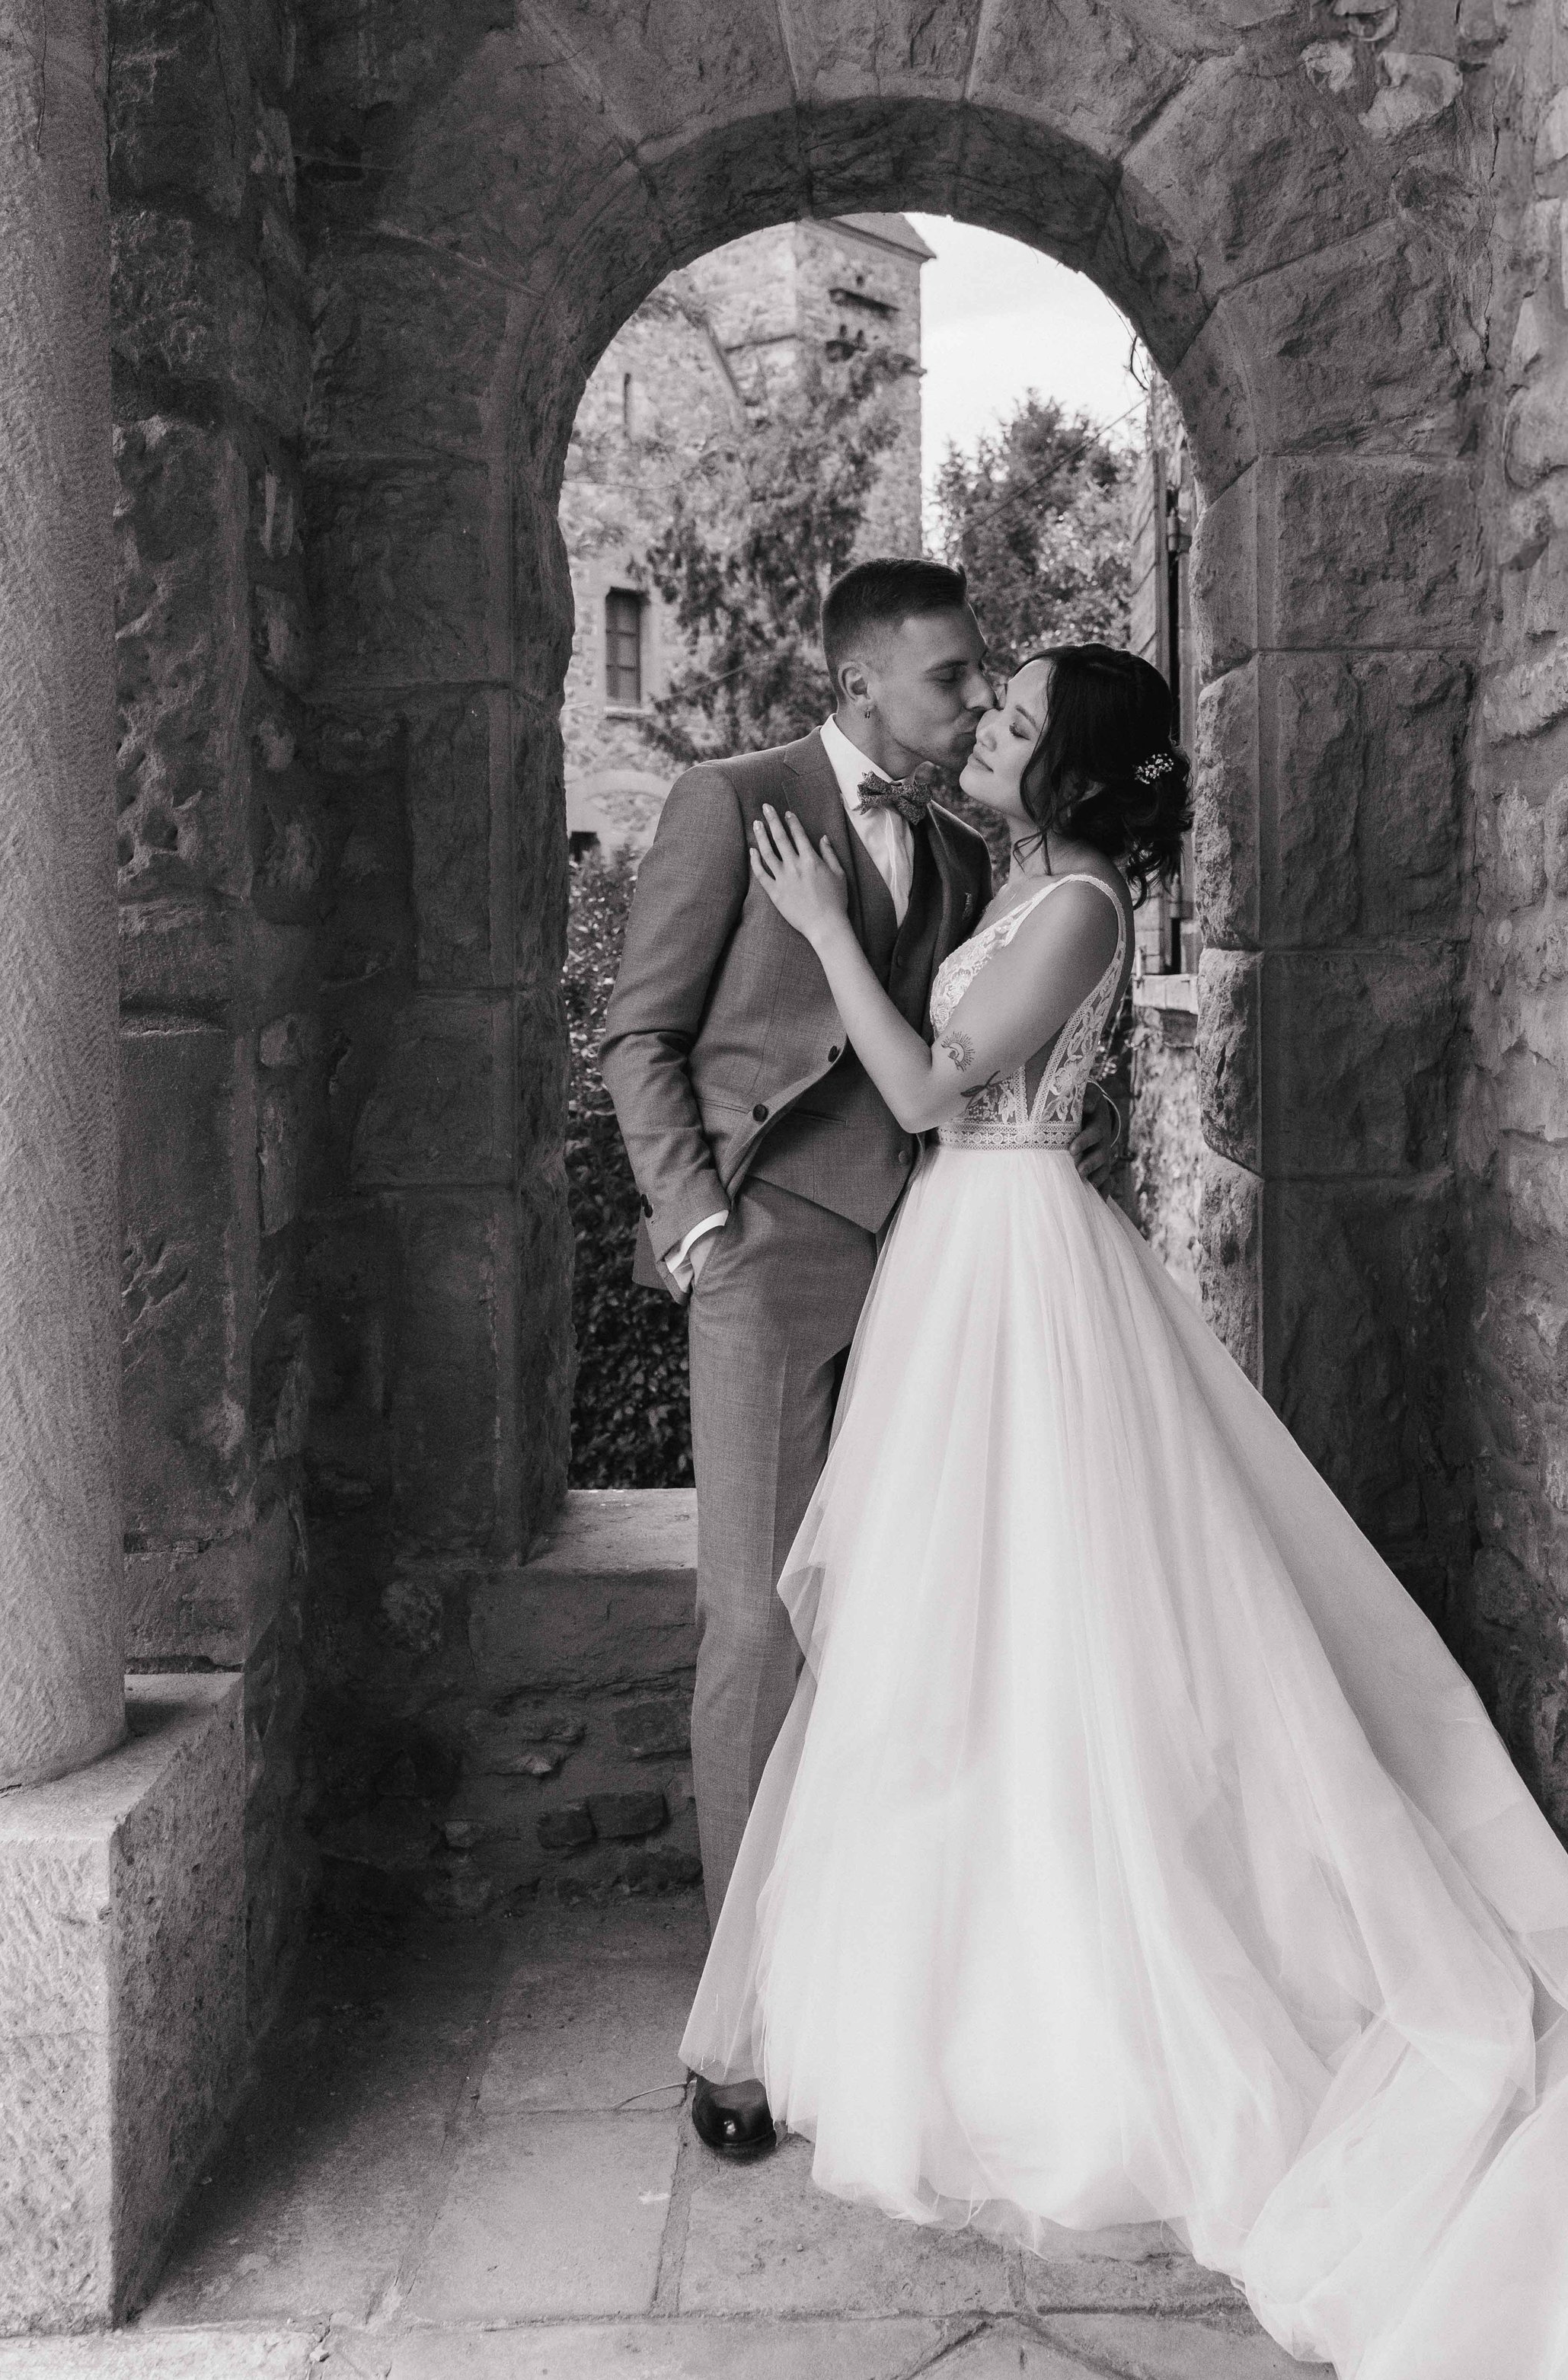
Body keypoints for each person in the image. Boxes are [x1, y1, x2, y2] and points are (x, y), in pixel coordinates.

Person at [678, 643, 1568, 2380]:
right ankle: (944, 1984)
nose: (985, 729)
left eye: (1013, 721)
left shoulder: (1076, 910)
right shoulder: (1020, 881)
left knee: (1064, 1635)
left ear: (1073, 770)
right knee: (951, 1642)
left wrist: (831, 925)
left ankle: (1104, 2008)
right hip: (958, 1268)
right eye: (985, 709)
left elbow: (923, 1095)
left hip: (1020, 1261)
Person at [599, 559, 1119, 2161]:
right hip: (765, 1271)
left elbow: (951, 1064)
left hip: (932, 1273)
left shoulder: (977, 857)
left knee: (901, 1617)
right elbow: (638, 1032)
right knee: (755, 1621)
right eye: (954, 679)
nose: (973, 704)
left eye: (985, 689)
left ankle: (875, 1974)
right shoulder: (727, 800)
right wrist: (696, 1232)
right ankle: (739, 2033)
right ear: (860, 685)